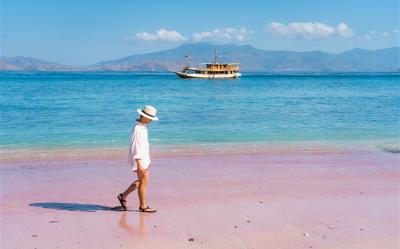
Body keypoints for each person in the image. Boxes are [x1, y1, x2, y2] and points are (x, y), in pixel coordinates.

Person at [118, 105, 158, 212]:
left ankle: (123, 196)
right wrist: (139, 161)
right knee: (143, 181)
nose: (150, 121)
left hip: (144, 157)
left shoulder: (142, 127)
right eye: (150, 118)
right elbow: (136, 145)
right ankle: (143, 206)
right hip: (140, 159)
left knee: (143, 181)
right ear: (144, 116)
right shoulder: (137, 129)